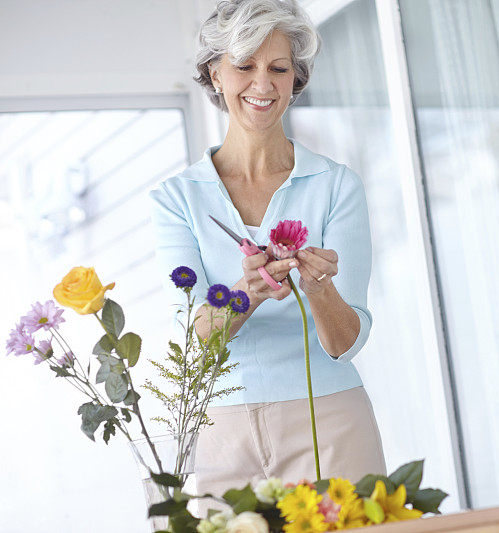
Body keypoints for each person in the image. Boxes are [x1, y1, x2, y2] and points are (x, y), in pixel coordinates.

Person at [146, 0, 386, 516]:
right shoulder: (177, 200)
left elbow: (346, 342)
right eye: (244, 65)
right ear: (215, 73)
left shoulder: (335, 186)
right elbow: (195, 342)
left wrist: (319, 289)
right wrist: (247, 294)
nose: (263, 84)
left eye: (279, 68)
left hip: (330, 420)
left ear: (297, 79)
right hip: (220, 430)